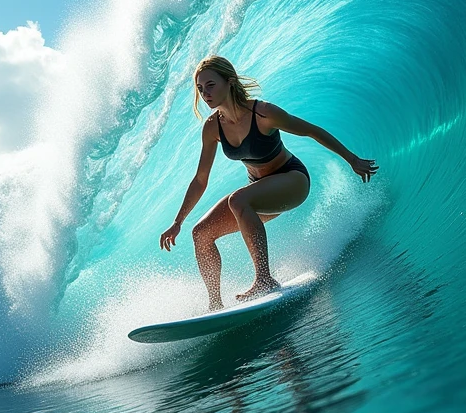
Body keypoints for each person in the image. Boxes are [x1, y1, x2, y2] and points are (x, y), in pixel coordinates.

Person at [160, 56, 378, 310]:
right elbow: (200, 179)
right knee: (201, 233)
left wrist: (352, 160)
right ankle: (215, 306)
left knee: (238, 200)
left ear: (229, 82)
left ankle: (264, 279)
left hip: (292, 181)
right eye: (200, 88)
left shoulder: (263, 113)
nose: (205, 93)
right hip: (260, 194)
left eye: (210, 85)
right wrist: (178, 222)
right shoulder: (212, 128)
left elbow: (311, 130)